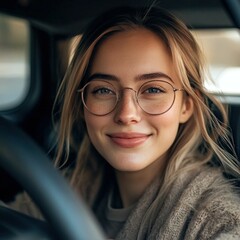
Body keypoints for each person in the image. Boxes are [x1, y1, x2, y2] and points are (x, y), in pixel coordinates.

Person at [8, 6, 240, 239]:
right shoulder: (63, 191)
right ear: (81, 104)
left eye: (153, 89)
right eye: (103, 90)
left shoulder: (219, 222)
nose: (126, 114)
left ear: (186, 106)